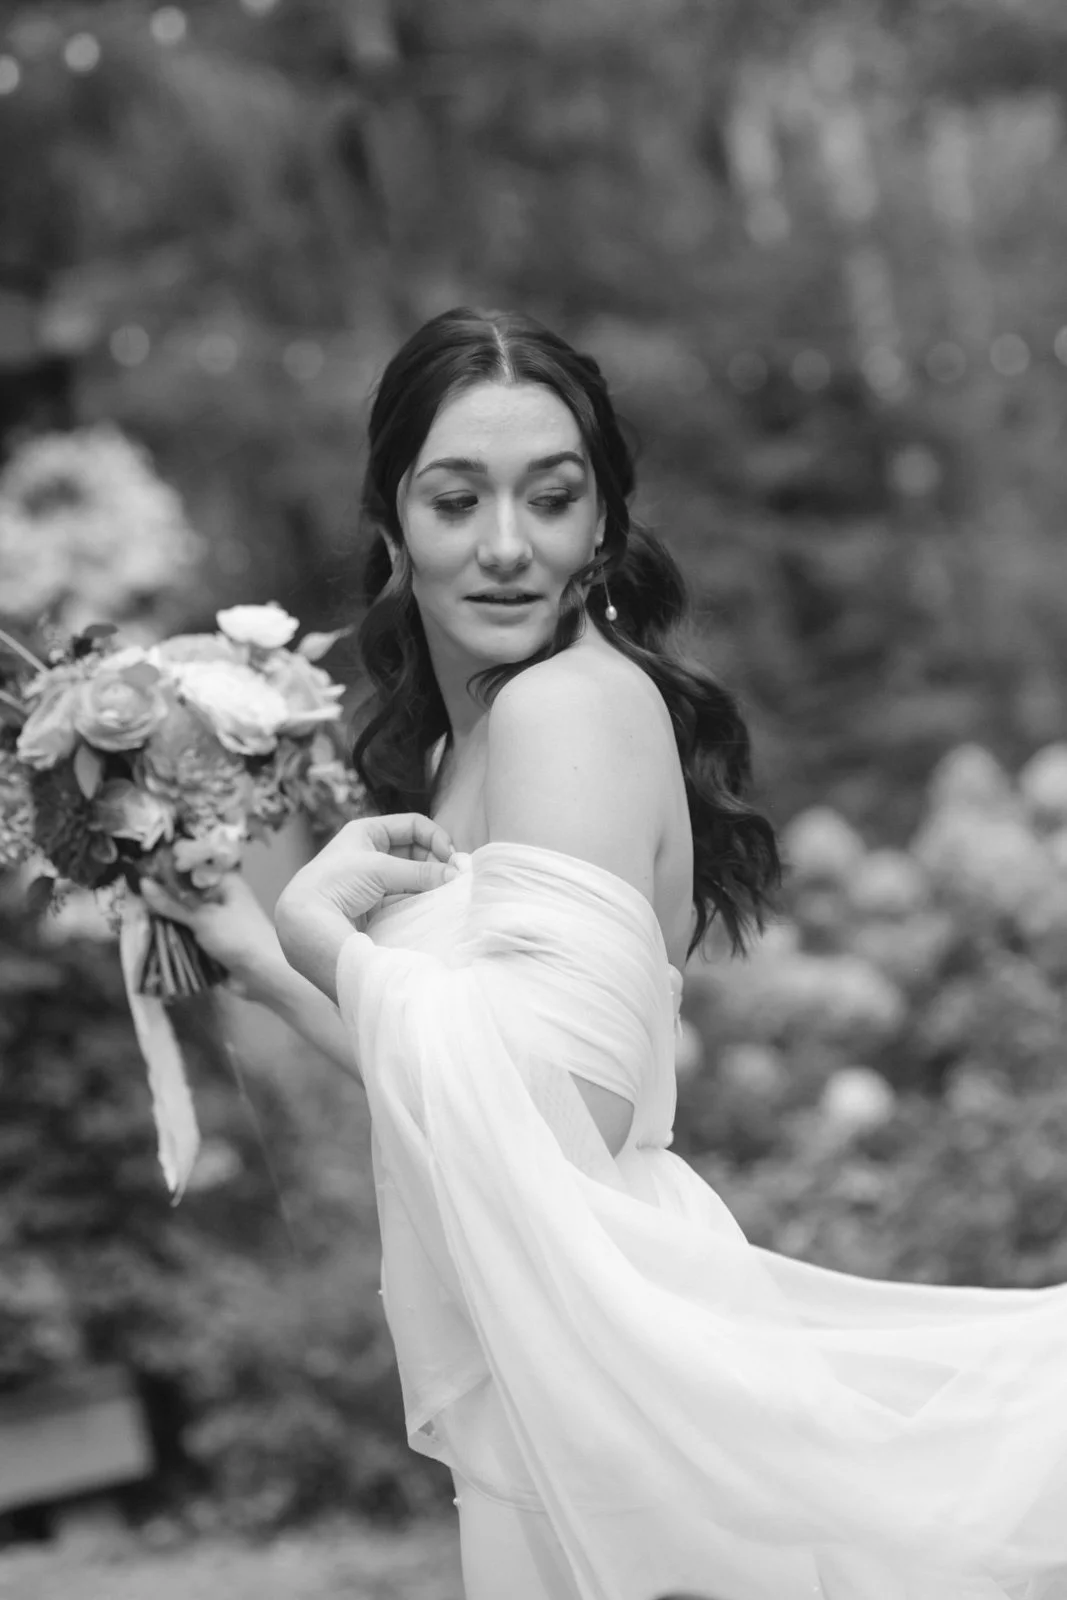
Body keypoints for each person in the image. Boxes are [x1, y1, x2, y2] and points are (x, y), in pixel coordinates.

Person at [147, 309, 1067, 1600]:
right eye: (457, 500)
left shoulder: (563, 708)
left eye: (552, 497)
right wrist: (261, 953)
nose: (507, 545)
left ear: (601, 527)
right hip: (552, 1334)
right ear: (393, 524)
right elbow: (460, 1083)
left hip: (614, 1349)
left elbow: (554, 1109)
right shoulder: (462, 744)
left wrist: (313, 932)